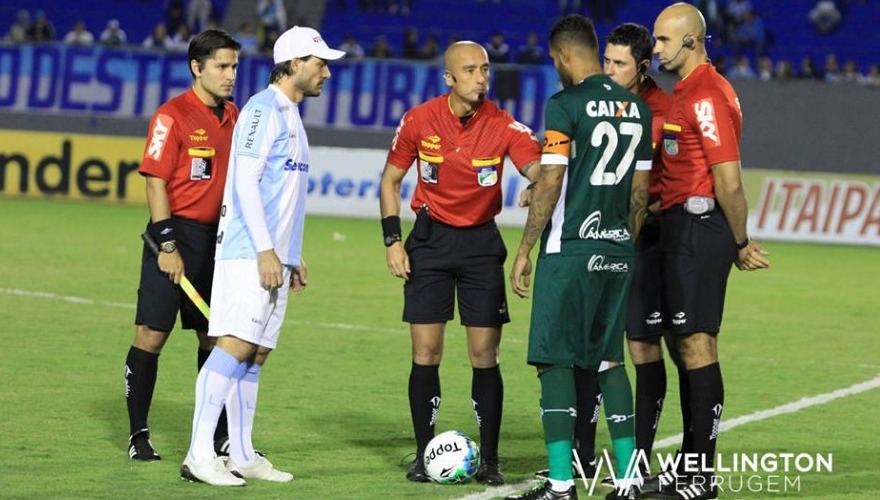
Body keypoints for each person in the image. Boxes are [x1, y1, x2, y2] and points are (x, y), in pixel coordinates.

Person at [180, 25, 344, 486]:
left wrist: (292, 252)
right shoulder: (261, 108)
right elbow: (246, 181)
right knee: (233, 346)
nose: (326, 73)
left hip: (274, 256)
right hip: (247, 255)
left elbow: (282, 193)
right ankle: (199, 454)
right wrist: (267, 249)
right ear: (294, 64)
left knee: (256, 354)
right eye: (319, 63)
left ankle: (243, 454)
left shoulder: (291, 114)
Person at [379, 40, 542, 486]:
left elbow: (538, 168)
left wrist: (536, 187)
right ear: (449, 78)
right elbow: (391, 181)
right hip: (428, 244)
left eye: (485, 70)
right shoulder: (418, 120)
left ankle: (490, 459)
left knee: (483, 355)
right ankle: (422, 453)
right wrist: (393, 241)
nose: (481, 78)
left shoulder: (505, 126)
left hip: (480, 247)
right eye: (470, 71)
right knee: (425, 353)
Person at [506, 14, 653, 500]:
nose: (555, 68)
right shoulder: (638, 109)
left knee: (553, 361)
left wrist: (525, 247)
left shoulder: (565, 105)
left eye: (554, 60)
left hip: (569, 250)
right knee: (610, 361)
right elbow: (640, 190)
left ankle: (562, 483)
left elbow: (549, 181)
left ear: (567, 55)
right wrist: (623, 243)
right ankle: (629, 478)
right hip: (617, 249)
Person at [644, 4, 770, 498]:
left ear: (690, 42)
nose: (656, 49)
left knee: (697, 347)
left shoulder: (705, 96)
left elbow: (729, 182)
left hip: (700, 229)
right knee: (683, 347)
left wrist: (739, 241)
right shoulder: (689, 92)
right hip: (680, 227)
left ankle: (701, 476)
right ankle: (687, 464)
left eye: (662, 40)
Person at [124, 29, 241, 462]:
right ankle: (138, 434)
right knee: (151, 334)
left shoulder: (235, 116)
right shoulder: (171, 116)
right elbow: (156, 180)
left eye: (233, 67)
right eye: (221, 66)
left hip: (220, 242)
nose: (230, 75)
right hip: (174, 236)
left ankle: (216, 437)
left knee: (214, 339)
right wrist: (167, 242)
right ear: (197, 67)